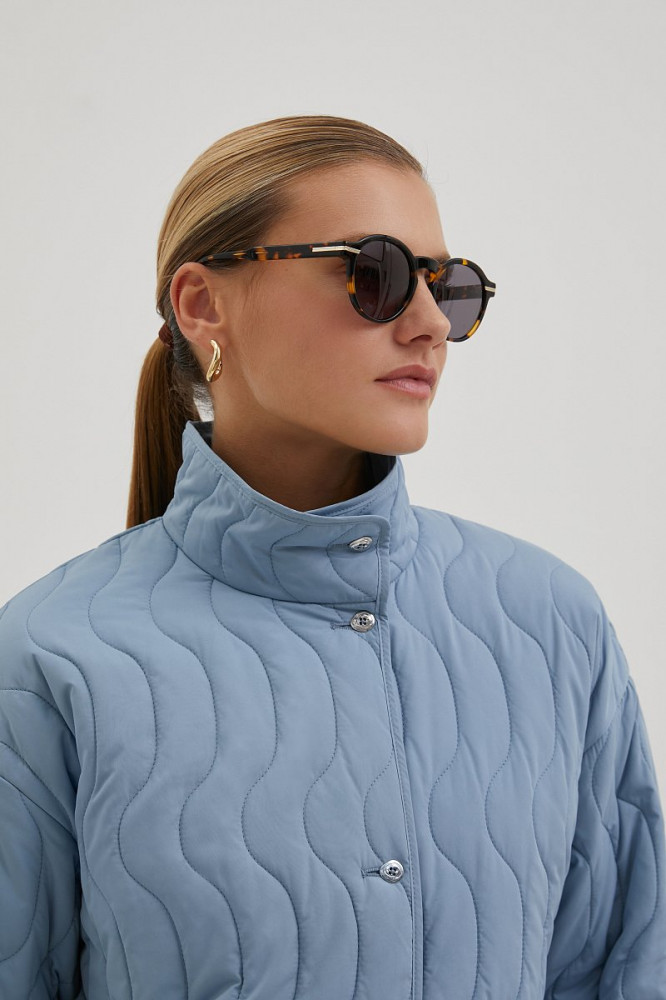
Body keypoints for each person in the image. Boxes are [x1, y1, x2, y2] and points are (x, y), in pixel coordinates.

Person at [0, 114, 663, 1000]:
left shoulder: (549, 622)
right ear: (202, 305)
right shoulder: (49, 653)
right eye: (374, 274)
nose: (429, 324)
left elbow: (623, 967)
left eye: (449, 287)